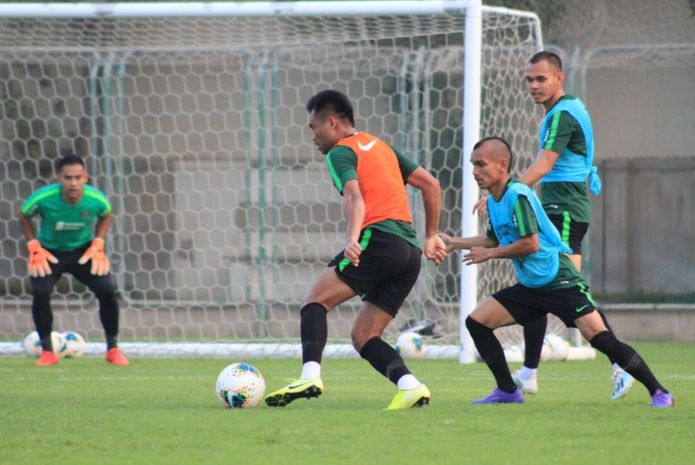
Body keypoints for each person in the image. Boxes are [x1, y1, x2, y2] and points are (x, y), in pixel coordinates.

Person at [441, 137, 674, 408]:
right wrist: (454, 243)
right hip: (531, 286)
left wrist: (489, 255)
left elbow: (530, 243)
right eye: (473, 165)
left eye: (481, 164)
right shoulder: (494, 200)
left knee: (600, 338)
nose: (474, 171)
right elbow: (492, 240)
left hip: (558, 280)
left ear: (502, 165)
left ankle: (660, 393)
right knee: (477, 323)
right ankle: (507, 390)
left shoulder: (518, 195)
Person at [264, 89, 446, 410]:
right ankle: (411, 387)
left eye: (313, 127)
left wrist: (352, 237)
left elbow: (354, 196)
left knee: (314, 302)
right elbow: (430, 184)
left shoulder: (341, 152)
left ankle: (310, 375)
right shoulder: (381, 147)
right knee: (364, 335)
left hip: (378, 240)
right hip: (409, 251)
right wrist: (431, 235)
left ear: (332, 123)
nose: (312, 135)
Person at [476, 51, 632, 399]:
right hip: (559, 208)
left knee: (568, 293)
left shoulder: (562, 115)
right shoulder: (562, 110)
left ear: (559, 78)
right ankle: (530, 373)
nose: (533, 85)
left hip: (563, 210)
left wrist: (506, 191)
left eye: (541, 79)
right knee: (541, 290)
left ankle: (619, 364)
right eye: (529, 79)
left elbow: (545, 164)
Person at [19, 154, 129, 367]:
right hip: (49, 252)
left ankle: (113, 349)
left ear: (85, 178)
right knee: (41, 292)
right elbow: (24, 215)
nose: (73, 183)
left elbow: (106, 214)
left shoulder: (96, 200)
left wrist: (98, 241)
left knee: (107, 290)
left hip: (83, 252)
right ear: (59, 178)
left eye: (78, 177)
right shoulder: (43, 198)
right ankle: (47, 351)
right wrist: (33, 244)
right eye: (68, 178)